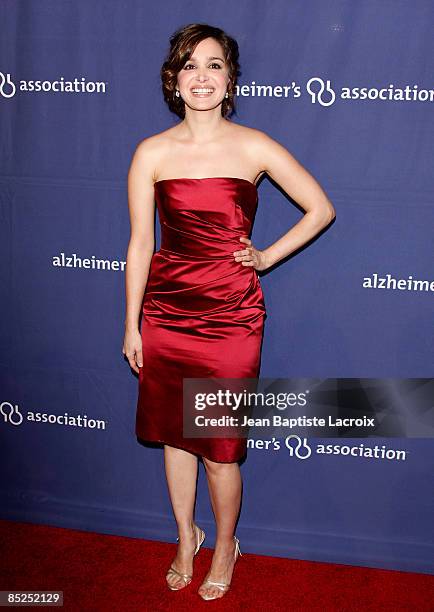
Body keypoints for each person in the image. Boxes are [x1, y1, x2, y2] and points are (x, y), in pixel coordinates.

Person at [123, 23, 335, 601]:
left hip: (231, 313)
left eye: (213, 65)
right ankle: (184, 537)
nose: (201, 77)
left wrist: (264, 256)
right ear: (174, 78)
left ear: (230, 77)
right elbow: (141, 244)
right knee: (174, 437)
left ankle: (224, 544)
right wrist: (132, 324)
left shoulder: (254, 146)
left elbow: (320, 209)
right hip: (167, 311)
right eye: (190, 65)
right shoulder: (152, 152)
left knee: (218, 446)